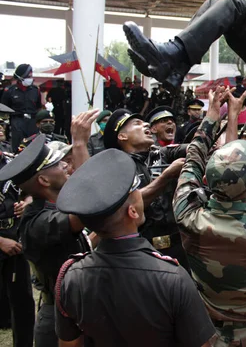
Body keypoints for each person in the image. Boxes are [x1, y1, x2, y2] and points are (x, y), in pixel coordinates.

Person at [53, 149, 215, 347]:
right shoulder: (173, 277)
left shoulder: (70, 276)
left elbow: (69, 344)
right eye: (136, 190)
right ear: (132, 212)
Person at [173, 86, 246, 346]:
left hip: (207, 334)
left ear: (205, 182)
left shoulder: (188, 217)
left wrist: (212, 116)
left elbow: (192, 160)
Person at [0, 109, 97, 347]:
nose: (65, 165)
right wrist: (81, 144)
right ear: (43, 181)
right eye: (57, 163)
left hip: (80, 312)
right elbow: (92, 205)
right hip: (60, 322)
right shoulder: (37, 222)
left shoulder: (56, 206)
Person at [103, 109, 190, 270]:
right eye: (137, 123)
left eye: (145, 122)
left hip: (179, 247)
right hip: (142, 251)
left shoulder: (162, 154)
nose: (146, 124)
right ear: (122, 136)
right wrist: (166, 177)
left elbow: (196, 148)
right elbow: (130, 204)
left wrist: (216, 118)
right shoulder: (115, 168)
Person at [0, 148, 35, 347]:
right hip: (2, 241)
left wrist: (27, 202)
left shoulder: (13, 163)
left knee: (23, 303)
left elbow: (31, 190)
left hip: (16, 239)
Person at [1, 64, 42, 152]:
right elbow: (4, 108)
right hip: (17, 121)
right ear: (20, 77)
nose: (30, 78)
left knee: (33, 146)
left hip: (32, 121)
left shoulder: (35, 90)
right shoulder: (9, 91)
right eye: (28, 76)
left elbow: (39, 107)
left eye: (31, 76)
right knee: (17, 147)